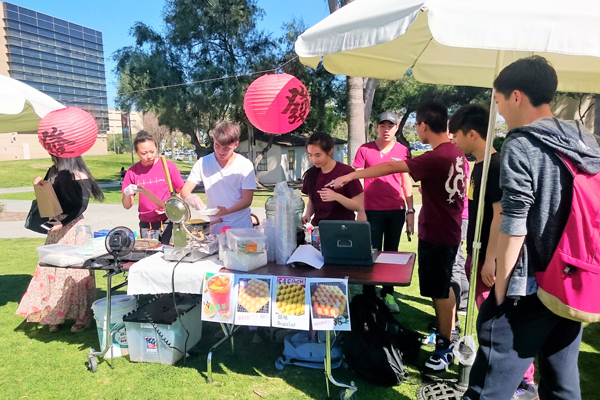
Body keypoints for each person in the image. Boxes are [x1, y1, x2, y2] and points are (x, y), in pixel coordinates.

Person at [463, 56, 600, 400]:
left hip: (527, 286)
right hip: (570, 278)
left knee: (487, 388)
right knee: (562, 385)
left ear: (516, 96)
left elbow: (514, 222)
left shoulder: (521, 143)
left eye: (498, 102)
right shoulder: (584, 139)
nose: (500, 112)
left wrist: (501, 291)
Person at [329, 101, 466, 373]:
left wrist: (351, 176)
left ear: (423, 126)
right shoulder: (455, 152)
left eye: (416, 126)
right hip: (448, 230)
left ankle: (445, 346)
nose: (417, 130)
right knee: (444, 287)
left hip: (439, 234)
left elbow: (391, 169)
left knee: (439, 292)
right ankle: (448, 336)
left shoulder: (436, 156)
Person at [449, 104, 537, 399]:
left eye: (456, 136)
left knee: (500, 320)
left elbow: (501, 217)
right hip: (478, 253)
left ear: (472, 134)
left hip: (495, 259)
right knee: (488, 317)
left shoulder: (499, 165)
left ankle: (523, 381)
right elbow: (479, 214)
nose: (454, 142)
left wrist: (491, 259)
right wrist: (474, 254)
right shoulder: (478, 167)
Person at [16, 156, 105, 333]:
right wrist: (41, 185)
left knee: (74, 270)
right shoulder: (52, 171)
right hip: (54, 224)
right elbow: (49, 199)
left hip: (72, 227)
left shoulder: (79, 175)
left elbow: (81, 205)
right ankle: (54, 313)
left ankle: (82, 315)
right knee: (51, 269)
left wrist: (62, 223)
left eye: (56, 157)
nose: (53, 160)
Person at [353, 111, 414, 312]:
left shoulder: (403, 150)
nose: (386, 129)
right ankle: (369, 295)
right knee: (369, 254)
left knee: (392, 253)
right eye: (383, 125)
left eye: (391, 125)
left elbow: (406, 181)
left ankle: (388, 294)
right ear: (377, 127)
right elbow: (357, 180)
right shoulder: (365, 149)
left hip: (396, 210)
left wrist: (410, 210)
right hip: (372, 210)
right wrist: (360, 209)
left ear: (397, 128)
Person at [180, 121, 256, 234]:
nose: (221, 151)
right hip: (216, 227)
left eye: (226, 148)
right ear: (214, 140)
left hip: (241, 227)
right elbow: (185, 190)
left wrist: (227, 211)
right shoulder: (203, 163)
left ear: (236, 145)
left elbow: (247, 200)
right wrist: (190, 197)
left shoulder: (245, 165)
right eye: (217, 145)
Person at [121, 130, 184, 245]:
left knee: (170, 254)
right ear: (136, 153)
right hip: (147, 224)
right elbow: (127, 205)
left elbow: (182, 192)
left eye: (152, 151)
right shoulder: (132, 172)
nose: (149, 156)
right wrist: (126, 193)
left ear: (156, 148)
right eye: (144, 153)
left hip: (168, 221)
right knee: (150, 256)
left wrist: (171, 208)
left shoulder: (168, 166)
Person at [301, 131, 366, 226]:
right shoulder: (311, 174)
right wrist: (308, 214)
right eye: (310, 155)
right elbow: (311, 201)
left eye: (318, 155)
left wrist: (336, 197)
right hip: (319, 227)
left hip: (343, 227)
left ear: (330, 151)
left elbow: (358, 206)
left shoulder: (346, 172)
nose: (314, 160)